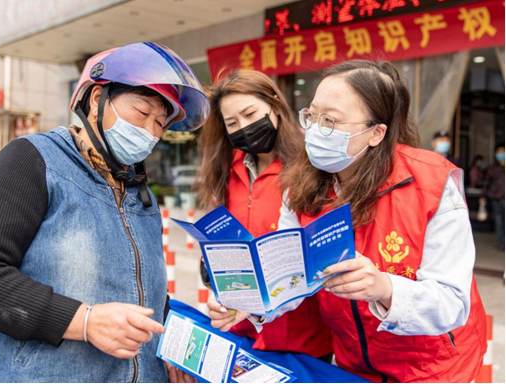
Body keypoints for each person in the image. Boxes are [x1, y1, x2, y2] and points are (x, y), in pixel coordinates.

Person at [208, 60, 487, 383]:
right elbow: (289, 272)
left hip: (433, 367)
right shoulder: (300, 186)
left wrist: (384, 288)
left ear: (376, 133)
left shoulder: (434, 185)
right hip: (352, 362)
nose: (315, 130)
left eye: (331, 120)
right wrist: (251, 300)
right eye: (312, 116)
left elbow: (452, 303)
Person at [0, 42, 210, 383]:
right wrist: (84, 321)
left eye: (160, 123)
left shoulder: (140, 195)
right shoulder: (34, 160)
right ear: (97, 100)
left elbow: (145, 291)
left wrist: (169, 351)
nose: (151, 132)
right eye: (141, 112)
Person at [197, 70, 333, 361]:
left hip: (301, 342)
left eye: (250, 114)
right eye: (232, 123)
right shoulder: (226, 171)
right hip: (240, 333)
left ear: (274, 105)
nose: (244, 127)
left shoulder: (311, 167)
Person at [481, 144, 505, 251]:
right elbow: (486, 184)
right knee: (499, 222)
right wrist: (482, 196)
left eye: (503, 151)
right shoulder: (492, 169)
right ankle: (501, 243)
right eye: (499, 152)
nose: (502, 154)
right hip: (497, 200)